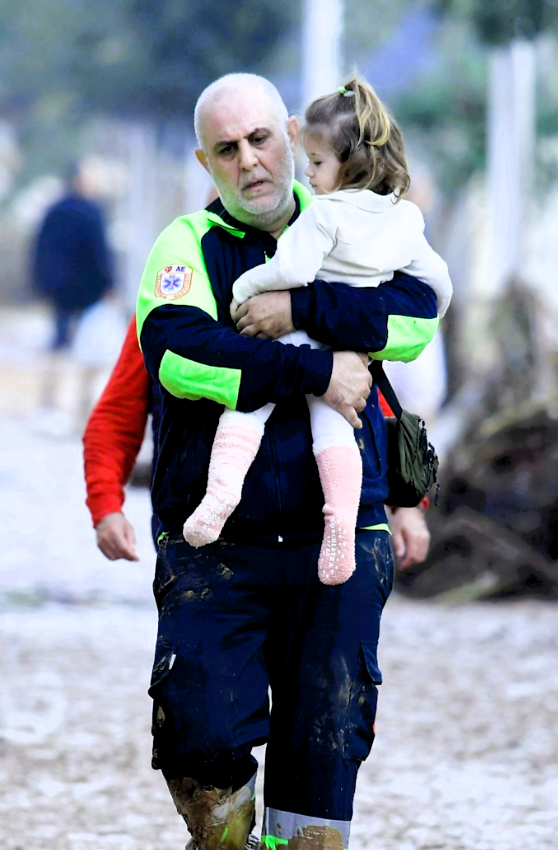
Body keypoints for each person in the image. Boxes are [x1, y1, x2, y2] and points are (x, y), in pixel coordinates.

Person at [132, 72, 441, 850]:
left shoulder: (359, 219)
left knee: (326, 737)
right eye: (227, 149)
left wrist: (302, 307)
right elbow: (180, 354)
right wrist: (313, 367)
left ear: (293, 137)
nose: (250, 161)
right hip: (214, 550)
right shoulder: (185, 245)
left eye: (262, 139)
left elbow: (417, 318)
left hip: (338, 539)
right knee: (200, 735)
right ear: (206, 161)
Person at [183, 77, 451, 585]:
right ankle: (340, 526)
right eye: (228, 148)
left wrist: (262, 297)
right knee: (336, 430)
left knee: (248, 410)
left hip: (307, 352)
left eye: (317, 162)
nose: (248, 160)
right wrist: (328, 366)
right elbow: (435, 287)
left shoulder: (322, 215)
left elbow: (295, 270)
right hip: (344, 360)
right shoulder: (402, 219)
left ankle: (223, 494)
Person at [82, 315, 433, 570]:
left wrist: (408, 503)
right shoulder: (169, 307)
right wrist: (106, 507)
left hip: (315, 535)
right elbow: (117, 416)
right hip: (200, 536)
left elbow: (365, 400)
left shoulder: (323, 297)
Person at [30, 160, 115, 422]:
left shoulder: (54, 210)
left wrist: (41, 283)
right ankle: (81, 406)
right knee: (88, 346)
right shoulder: (92, 211)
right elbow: (101, 253)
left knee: (58, 342)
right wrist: (109, 285)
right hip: (89, 290)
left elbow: (39, 249)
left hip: (59, 289)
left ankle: (48, 401)